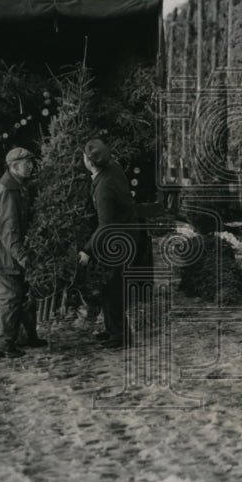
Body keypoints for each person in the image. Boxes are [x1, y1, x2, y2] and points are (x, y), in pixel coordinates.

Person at [0, 147, 46, 358]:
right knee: (11, 298)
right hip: (3, 257)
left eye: (31, 162)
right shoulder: (8, 192)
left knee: (23, 296)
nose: (31, 166)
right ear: (14, 166)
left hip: (7, 255)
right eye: (27, 163)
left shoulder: (16, 186)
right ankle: (2, 345)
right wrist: (24, 258)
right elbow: (10, 232)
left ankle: (28, 337)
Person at [78, 138, 139, 350]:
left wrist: (87, 250)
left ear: (90, 162)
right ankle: (113, 329)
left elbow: (105, 225)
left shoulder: (104, 187)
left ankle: (120, 335)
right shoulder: (112, 168)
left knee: (113, 287)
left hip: (118, 240)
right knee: (111, 286)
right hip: (124, 235)